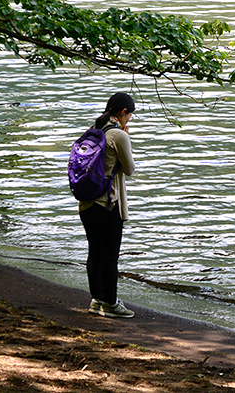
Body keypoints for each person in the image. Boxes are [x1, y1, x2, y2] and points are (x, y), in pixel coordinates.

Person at [79, 92, 136, 318]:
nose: (130, 119)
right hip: (108, 204)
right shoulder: (118, 135)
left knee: (95, 252)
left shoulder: (93, 132)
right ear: (123, 113)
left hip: (87, 203)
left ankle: (96, 300)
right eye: (130, 115)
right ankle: (111, 304)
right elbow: (130, 169)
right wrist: (125, 137)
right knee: (110, 255)